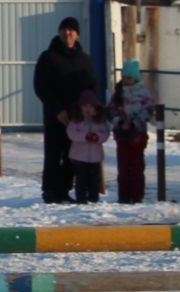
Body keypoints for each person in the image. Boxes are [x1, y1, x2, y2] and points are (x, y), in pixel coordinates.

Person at [33, 15, 97, 204]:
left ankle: (64, 189)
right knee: (53, 154)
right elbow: (41, 86)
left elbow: (92, 86)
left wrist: (88, 110)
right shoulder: (48, 57)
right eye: (64, 29)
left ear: (77, 34)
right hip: (56, 116)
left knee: (73, 155)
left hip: (78, 117)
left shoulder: (84, 59)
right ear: (59, 32)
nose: (67, 33)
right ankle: (51, 191)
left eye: (71, 30)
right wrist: (57, 110)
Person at [109, 60, 157, 203]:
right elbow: (111, 110)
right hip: (122, 133)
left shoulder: (143, 94)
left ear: (135, 78)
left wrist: (134, 123)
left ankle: (136, 195)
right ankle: (123, 195)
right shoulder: (118, 93)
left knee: (136, 166)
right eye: (124, 77)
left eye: (129, 78)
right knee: (123, 167)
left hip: (137, 134)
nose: (126, 80)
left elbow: (148, 110)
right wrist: (120, 121)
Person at [65, 92, 110, 204]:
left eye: (91, 106)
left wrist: (97, 137)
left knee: (94, 179)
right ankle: (81, 198)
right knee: (81, 179)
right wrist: (85, 136)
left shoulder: (100, 121)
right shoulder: (76, 120)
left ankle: (93, 197)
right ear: (80, 107)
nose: (88, 109)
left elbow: (105, 134)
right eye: (85, 106)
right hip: (79, 156)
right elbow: (71, 133)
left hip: (95, 157)